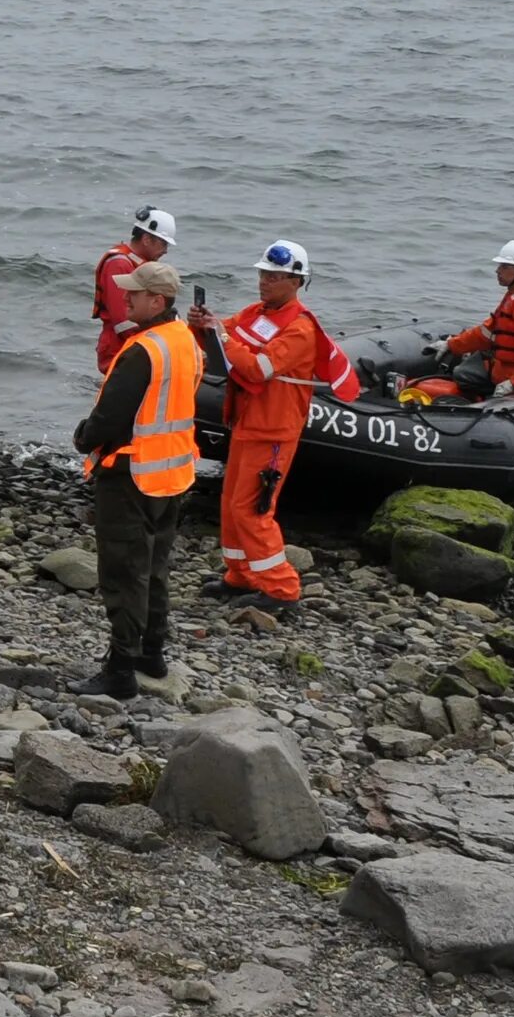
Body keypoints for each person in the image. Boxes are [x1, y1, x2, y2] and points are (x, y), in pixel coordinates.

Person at [190, 240, 353, 606]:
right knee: (232, 504)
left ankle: (281, 589)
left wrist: (223, 334)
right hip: (248, 422)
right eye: (263, 274)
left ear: (296, 281)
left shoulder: (300, 329)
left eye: (274, 276)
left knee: (253, 510)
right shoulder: (256, 313)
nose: (264, 281)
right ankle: (241, 576)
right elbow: (222, 339)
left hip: (275, 430)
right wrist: (202, 327)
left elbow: (258, 368)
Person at [72, 259, 198, 696]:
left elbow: (110, 416)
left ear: (157, 301)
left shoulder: (144, 349)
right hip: (173, 474)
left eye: (134, 293)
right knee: (156, 568)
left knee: (125, 572)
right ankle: (152, 653)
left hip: (130, 474)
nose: (125, 296)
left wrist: (84, 437)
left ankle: (120, 670)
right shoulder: (185, 341)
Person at [444, 242, 514, 397]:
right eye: (500, 266)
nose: (498, 271)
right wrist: (451, 345)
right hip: (505, 371)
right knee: (462, 372)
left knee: (464, 375)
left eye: (505, 267)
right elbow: (486, 333)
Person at [93, 206, 176, 372]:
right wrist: (154, 346)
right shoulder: (119, 264)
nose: (166, 250)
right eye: (163, 243)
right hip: (121, 348)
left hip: (135, 346)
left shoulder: (134, 262)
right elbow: (124, 322)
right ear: (146, 239)